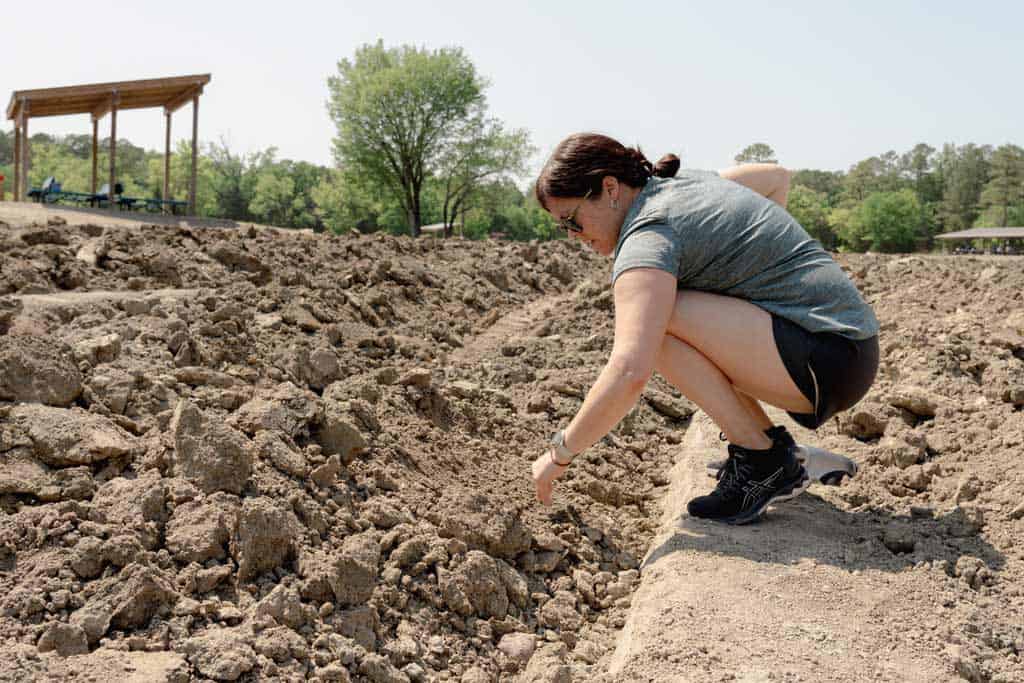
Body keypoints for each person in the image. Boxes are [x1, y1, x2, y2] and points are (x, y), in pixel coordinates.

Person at [530, 132, 879, 525]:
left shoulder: (649, 237)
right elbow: (776, 177)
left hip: (826, 361)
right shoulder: (689, 184)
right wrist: (755, 276)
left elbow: (629, 370)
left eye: (571, 221)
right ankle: (769, 451)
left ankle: (762, 460)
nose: (574, 237)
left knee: (656, 323)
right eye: (563, 229)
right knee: (666, 308)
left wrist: (559, 454)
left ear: (610, 187)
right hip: (847, 347)